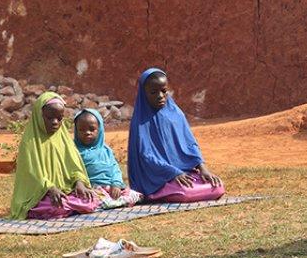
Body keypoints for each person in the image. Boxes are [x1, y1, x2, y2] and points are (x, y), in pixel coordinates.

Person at [127, 68, 224, 202]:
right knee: (185, 192)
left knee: (217, 187)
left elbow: (190, 145)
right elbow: (146, 156)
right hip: (157, 180)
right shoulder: (140, 122)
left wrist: (203, 169)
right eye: (153, 92)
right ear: (144, 94)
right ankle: (162, 193)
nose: (160, 96)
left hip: (184, 173)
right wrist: (173, 173)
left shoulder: (176, 115)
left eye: (164, 91)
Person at [10, 92, 100, 220]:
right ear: (39, 116)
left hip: (65, 191)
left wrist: (79, 183)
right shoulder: (30, 142)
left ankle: (65, 208)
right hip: (40, 195)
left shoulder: (64, 139)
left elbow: (75, 167)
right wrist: (50, 188)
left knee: (91, 199)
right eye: (49, 118)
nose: (55, 122)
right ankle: (60, 209)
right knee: (54, 205)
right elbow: (32, 175)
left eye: (59, 118)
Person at [74, 108, 142, 209]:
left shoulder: (105, 150)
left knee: (133, 194)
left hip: (109, 187)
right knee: (89, 199)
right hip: (91, 188)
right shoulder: (74, 151)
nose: (87, 133)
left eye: (92, 129)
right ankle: (107, 203)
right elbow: (74, 171)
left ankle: (113, 201)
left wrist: (116, 184)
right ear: (76, 130)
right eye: (82, 130)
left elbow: (114, 168)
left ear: (100, 129)